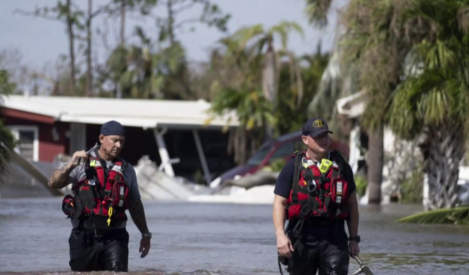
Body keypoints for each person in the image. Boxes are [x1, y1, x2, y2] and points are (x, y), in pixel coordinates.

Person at [48, 120, 152, 272]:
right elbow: (53, 183)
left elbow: (135, 205)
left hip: (115, 238)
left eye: (121, 141)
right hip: (84, 237)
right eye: (114, 140)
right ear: (102, 138)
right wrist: (70, 166)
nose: (118, 145)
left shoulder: (127, 170)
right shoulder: (81, 162)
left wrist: (145, 234)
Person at [272, 118, 360, 275]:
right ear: (305, 139)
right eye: (318, 136)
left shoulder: (341, 166)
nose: (323, 140)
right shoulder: (292, 167)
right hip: (302, 239)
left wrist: (353, 239)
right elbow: (279, 202)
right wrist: (280, 235)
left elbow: (352, 204)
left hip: (334, 239)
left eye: (325, 135)